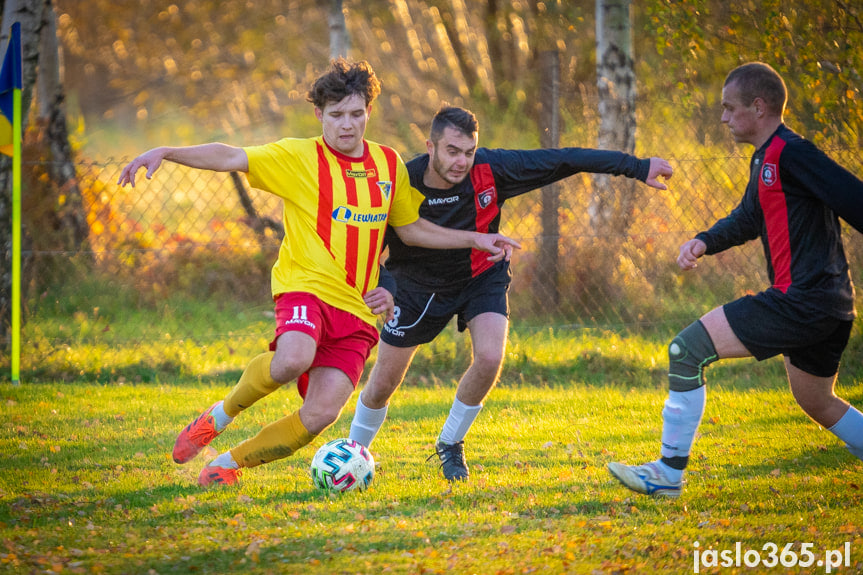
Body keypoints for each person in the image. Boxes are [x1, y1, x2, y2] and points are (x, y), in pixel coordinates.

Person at [117, 59, 520, 487]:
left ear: (368, 112)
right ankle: (219, 415)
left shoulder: (388, 165)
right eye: (337, 115)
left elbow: (411, 230)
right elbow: (230, 155)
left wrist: (474, 240)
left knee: (321, 415)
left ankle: (227, 466)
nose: (347, 125)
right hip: (304, 289)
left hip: (358, 310)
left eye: (356, 114)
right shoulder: (298, 156)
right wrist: (165, 152)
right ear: (320, 115)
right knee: (292, 358)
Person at [348, 104, 674, 481]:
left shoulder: (492, 168)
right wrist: (384, 289)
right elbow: (373, 249)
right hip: (419, 289)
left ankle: (450, 445)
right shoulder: (403, 181)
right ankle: (353, 454)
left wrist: (638, 167)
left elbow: (565, 160)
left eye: (468, 152)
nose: (461, 162)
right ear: (430, 146)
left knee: (489, 357)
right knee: (382, 385)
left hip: (481, 276)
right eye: (452, 151)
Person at [608, 62, 863, 498]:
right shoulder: (766, 157)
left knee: (685, 350)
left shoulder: (794, 153)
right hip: (827, 305)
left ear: (758, 107)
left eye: (729, 108)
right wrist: (705, 241)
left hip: (803, 301)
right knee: (817, 401)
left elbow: (855, 200)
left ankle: (667, 474)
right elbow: (750, 216)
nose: (723, 118)